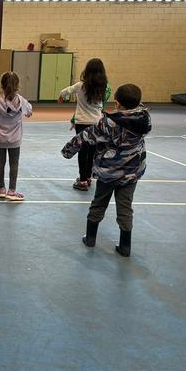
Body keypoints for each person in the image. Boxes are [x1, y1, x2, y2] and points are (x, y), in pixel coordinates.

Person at [62, 84, 152, 257]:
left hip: (108, 172)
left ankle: (90, 238)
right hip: (131, 173)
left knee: (98, 204)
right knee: (125, 208)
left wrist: (68, 151)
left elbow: (87, 136)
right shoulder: (144, 119)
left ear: (116, 103)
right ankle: (125, 246)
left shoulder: (110, 123)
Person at [58, 58, 112, 191]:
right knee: (93, 150)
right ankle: (88, 177)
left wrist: (61, 98)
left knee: (83, 151)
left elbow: (64, 92)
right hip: (97, 123)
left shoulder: (80, 86)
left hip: (82, 122)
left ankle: (82, 180)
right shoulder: (103, 87)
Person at [0, 72, 33, 202]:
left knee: (0, 162)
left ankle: (1, 189)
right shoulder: (22, 101)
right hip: (15, 139)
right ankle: (12, 190)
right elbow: (30, 112)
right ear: (17, 85)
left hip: (0, 138)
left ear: (1, 85)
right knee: (14, 164)